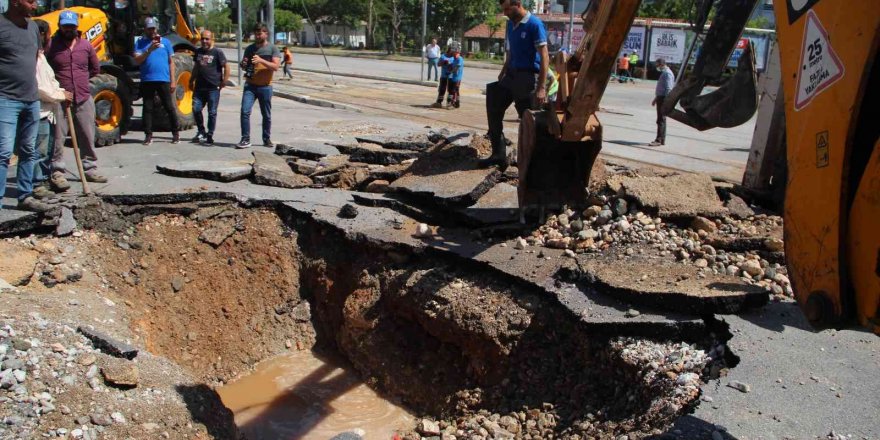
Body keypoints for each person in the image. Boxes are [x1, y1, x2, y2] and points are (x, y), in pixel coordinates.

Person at [481, 0, 549, 169]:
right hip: (511, 75)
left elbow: (545, 57)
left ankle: (534, 163)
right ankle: (498, 154)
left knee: (529, 122)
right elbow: (511, 52)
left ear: (517, 4)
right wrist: (504, 70)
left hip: (527, 78)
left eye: (507, 9)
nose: (504, 13)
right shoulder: (511, 24)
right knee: (494, 102)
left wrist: (541, 88)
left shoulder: (535, 24)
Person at [0, 0, 51, 211]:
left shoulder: (32, 27)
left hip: (31, 98)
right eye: (29, 0)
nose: (34, 4)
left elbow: (37, 59)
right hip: (5, 98)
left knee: (28, 150)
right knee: (3, 153)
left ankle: (25, 196)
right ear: (14, 2)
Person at [46, 10, 107, 184]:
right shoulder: (52, 46)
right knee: (58, 137)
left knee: (87, 135)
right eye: (65, 26)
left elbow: (95, 68)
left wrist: (81, 81)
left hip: (83, 96)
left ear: (76, 27)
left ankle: (90, 168)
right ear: (59, 26)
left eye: (71, 26)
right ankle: (57, 172)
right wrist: (57, 89)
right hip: (60, 99)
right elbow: (45, 69)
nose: (68, 29)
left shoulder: (85, 46)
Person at [33, 19, 69, 198]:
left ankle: (43, 181)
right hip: (40, 111)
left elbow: (50, 82)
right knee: (39, 151)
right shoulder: (34, 58)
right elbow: (40, 87)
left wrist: (60, 90)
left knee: (47, 150)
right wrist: (61, 95)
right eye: (48, 34)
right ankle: (37, 185)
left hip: (49, 111)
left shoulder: (41, 56)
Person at [134, 16, 180, 146]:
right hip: (147, 79)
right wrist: (149, 50)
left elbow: (171, 63)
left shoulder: (165, 42)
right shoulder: (140, 43)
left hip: (163, 79)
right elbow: (137, 60)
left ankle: (175, 133)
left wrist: (173, 80)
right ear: (145, 29)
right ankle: (148, 135)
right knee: (147, 108)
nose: (151, 31)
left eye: (153, 28)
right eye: (149, 29)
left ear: (157, 28)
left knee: (169, 107)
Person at [238, 23, 281, 149]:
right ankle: (245, 139)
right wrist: (243, 64)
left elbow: (276, 66)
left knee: (266, 114)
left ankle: (266, 138)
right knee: (245, 111)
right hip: (250, 86)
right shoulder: (250, 49)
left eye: (260, 33)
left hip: (265, 87)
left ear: (266, 34)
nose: (257, 36)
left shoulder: (273, 49)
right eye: (256, 33)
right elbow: (244, 65)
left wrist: (261, 60)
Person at [189, 29, 229, 145]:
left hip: (213, 88)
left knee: (212, 112)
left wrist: (224, 82)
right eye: (202, 38)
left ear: (212, 40)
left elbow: (226, 67)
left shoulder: (217, 52)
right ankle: (201, 131)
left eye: (207, 39)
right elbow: (196, 67)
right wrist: (191, 80)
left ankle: (210, 134)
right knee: (196, 109)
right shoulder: (198, 52)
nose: (204, 41)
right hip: (199, 88)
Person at [650, 57, 675, 146]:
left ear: (661, 64)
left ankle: (658, 140)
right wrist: (656, 99)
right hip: (660, 98)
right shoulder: (665, 72)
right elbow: (662, 88)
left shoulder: (667, 74)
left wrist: (666, 101)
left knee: (660, 120)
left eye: (657, 65)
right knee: (661, 119)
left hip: (663, 99)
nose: (657, 67)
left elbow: (668, 89)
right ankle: (662, 140)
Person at [432, 42, 464, 109]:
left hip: (452, 77)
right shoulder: (444, 56)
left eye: (453, 51)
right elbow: (438, 64)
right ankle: (439, 102)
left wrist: (450, 69)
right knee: (442, 89)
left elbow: (456, 68)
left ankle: (452, 103)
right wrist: (444, 63)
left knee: (452, 90)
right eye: (451, 50)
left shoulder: (457, 58)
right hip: (445, 76)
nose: (451, 52)